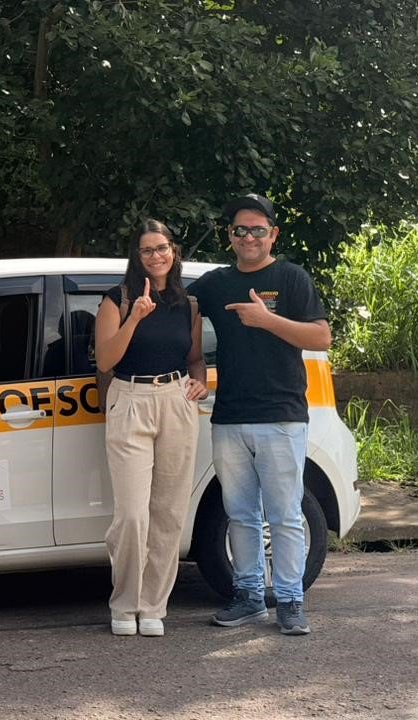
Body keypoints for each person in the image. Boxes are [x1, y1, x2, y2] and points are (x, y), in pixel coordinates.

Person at [190, 193, 331, 636]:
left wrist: (267, 319)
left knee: (285, 514)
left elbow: (321, 338)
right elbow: (175, 309)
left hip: (281, 415)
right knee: (239, 514)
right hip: (228, 417)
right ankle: (250, 596)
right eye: (240, 229)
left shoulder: (291, 278)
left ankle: (290, 600)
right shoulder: (214, 284)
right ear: (229, 235)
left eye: (257, 229)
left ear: (273, 234)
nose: (248, 237)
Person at [95, 218, 209, 637]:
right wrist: (135, 318)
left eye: (162, 248)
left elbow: (194, 357)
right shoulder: (118, 299)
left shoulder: (188, 304)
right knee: (131, 515)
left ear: (173, 252)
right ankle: (125, 603)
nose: (156, 256)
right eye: (147, 250)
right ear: (137, 256)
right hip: (130, 399)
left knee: (169, 513)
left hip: (176, 401)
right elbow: (105, 360)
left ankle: (153, 605)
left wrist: (201, 381)